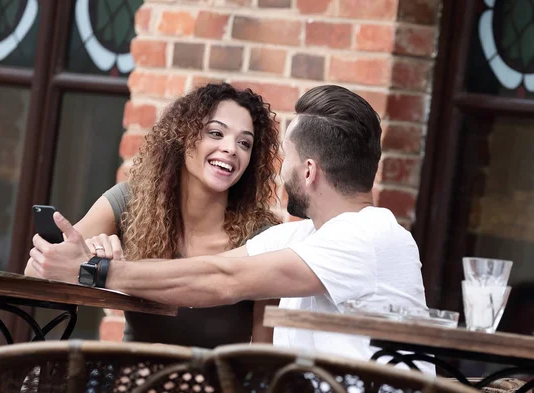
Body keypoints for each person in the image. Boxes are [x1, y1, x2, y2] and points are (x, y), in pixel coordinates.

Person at [26, 84, 428, 361]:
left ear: (308, 171)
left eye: (282, 157)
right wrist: (90, 262)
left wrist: (95, 271)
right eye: (215, 132)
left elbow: (222, 279)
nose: (276, 170)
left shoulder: (370, 236)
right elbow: (205, 273)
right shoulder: (298, 237)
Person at [26, 83, 282, 347]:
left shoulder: (263, 238)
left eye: (244, 143)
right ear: (184, 136)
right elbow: (34, 275)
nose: (231, 148)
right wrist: (86, 256)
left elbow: (262, 353)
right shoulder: (130, 203)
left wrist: (100, 271)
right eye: (216, 133)